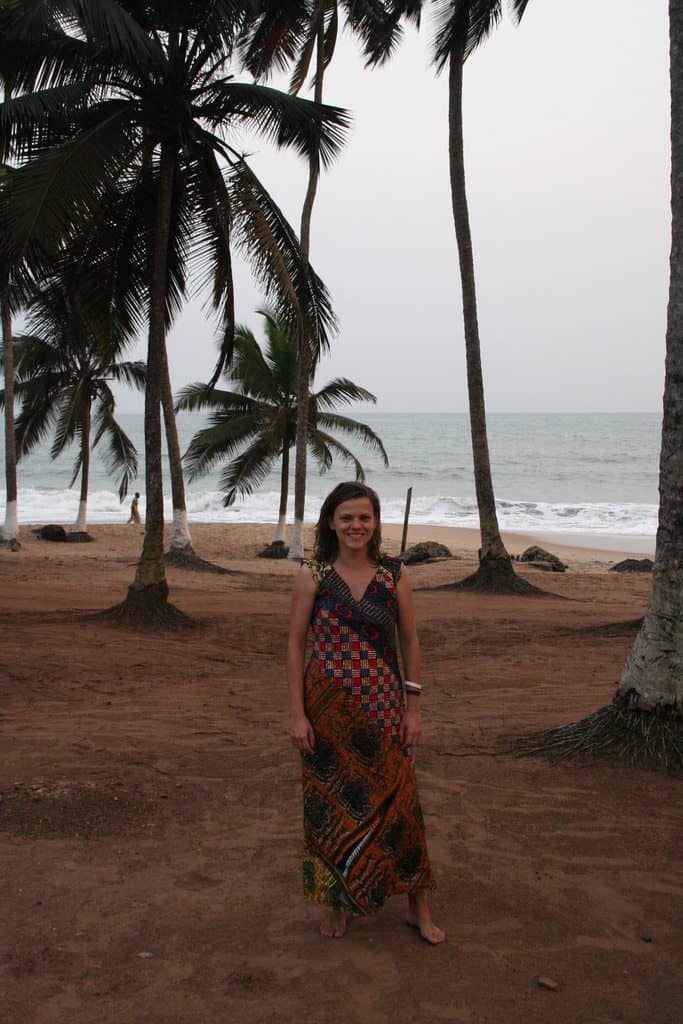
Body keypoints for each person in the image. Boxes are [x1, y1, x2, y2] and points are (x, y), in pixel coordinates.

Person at [287, 481, 445, 944]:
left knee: (402, 807)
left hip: (383, 708)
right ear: (331, 524)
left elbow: (410, 641)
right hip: (327, 713)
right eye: (347, 518)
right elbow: (296, 646)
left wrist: (413, 708)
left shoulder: (394, 574)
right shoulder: (312, 573)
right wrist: (297, 714)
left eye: (364, 517)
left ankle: (419, 905)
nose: (356, 526)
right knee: (333, 809)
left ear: (375, 523)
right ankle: (341, 904)